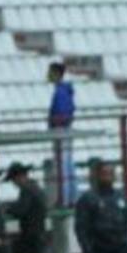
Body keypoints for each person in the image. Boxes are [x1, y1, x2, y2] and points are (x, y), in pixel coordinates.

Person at [4, 162, 50, 253]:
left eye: (13, 180)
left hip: (31, 236)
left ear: (19, 177)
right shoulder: (36, 187)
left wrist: (7, 209)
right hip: (39, 233)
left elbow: (21, 210)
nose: (14, 183)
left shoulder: (26, 190)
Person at [46, 62, 77, 206]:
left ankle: (64, 198)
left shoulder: (60, 92)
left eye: (50, 72)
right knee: (67, 163)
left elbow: (62, 114)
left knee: (62, 164)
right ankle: (69, 197)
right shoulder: (64, 90)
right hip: (65, 129)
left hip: (61, 130)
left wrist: (54, 122)